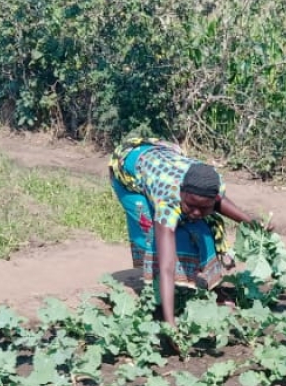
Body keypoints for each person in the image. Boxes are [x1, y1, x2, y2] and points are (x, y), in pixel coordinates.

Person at [108, 136, 265, 326]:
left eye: (204, 207)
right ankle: (157, 298)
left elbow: (219, 203)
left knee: (203, 229)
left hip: (163, 159)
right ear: (181, 191)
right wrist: (170, 323)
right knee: (151, 229)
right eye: (191, 205)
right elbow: (167, 267)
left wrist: (252, 222)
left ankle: (213, 289)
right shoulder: (168, 199)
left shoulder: (215, 185)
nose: (197, 212)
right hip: (128, 171)